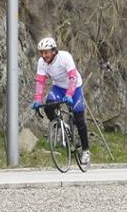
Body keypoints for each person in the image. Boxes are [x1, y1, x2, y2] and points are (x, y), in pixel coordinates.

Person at [33, 36, 90, 169]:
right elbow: (40, 81)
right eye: (42, 52)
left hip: (74, 87)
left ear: (54, 51)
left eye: (46, 52)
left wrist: (69, 94)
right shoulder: (41, 62)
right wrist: (37, 99)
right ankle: (62, 125)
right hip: (58, 87)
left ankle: (85, 151)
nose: (44, 55)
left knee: (79, 118)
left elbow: (73, 77)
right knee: (48, 106)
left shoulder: (65, 57)